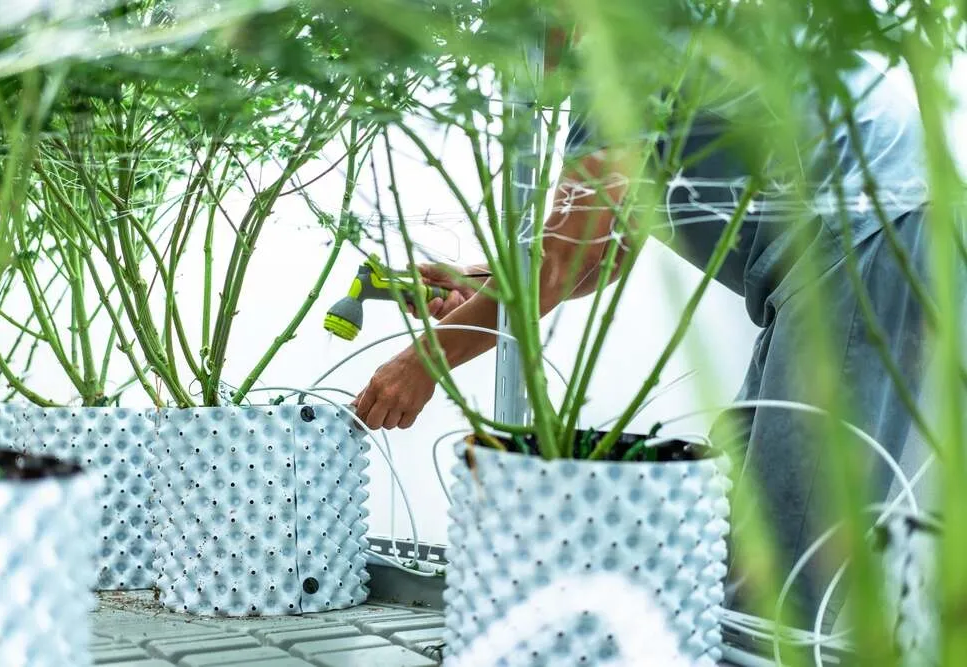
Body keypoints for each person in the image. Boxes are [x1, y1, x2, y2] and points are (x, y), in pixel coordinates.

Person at [354, 35, 932, 626]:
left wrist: (422, 361)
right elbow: (602, 251)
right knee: (740, 516)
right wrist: (488, 282)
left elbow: (563, 258)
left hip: (865, 232)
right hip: (846, 245)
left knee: (784, 563)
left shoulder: (613, 41)